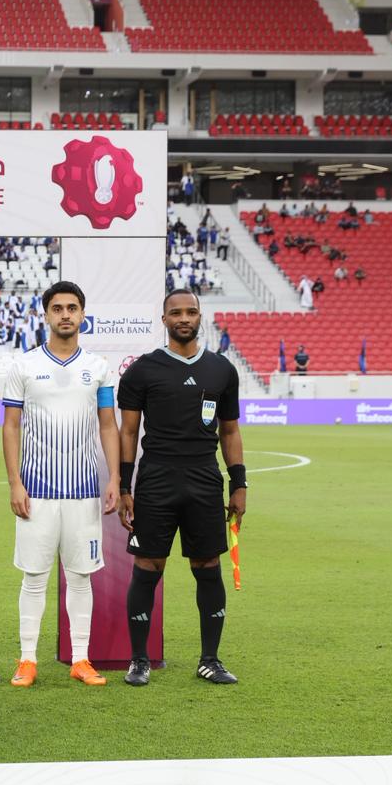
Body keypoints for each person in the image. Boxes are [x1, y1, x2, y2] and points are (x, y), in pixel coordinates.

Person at [117, 289, 245, 687]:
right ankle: (139, 660)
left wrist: (239, 483)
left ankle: (210, 659)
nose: (184, 318)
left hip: (204, 480)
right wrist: (124, 485)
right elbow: (128, 432)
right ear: (164, 319)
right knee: (148, 566)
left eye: (191, 312)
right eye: (176, 313)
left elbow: (230, 431)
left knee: (207, 566)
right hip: (156, 480)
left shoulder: (221, 369)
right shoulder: (142, 370)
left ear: (200, 316)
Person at [1, 281, 120, 688]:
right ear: (46, 314)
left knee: (81, 577)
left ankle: (80, 659)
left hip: (84, 492)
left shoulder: (99, 368)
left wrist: (114, 477)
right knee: (34, 577)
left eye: (72, 308)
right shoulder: (23, 366)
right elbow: (11, 426)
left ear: (82, 314)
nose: (65, 314)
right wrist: (15, 483)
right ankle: (27, 659)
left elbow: (108, 425)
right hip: (36, 491)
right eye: (57, 308)